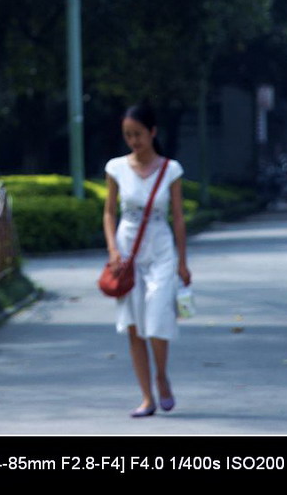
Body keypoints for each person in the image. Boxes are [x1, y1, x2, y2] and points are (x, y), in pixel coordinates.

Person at [103, 103, 191, 417]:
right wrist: (113, 250)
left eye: (138, 134)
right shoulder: (115, 168)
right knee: (134, 325)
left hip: (162, 248)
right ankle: (146, 397)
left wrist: (182, 261)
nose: (134, 140)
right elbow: (110, 212)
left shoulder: (171, 169)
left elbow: (178, 218)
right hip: (127, 252)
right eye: (128, 135)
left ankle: (162, 376)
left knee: (157, 316)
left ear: (153, 132)